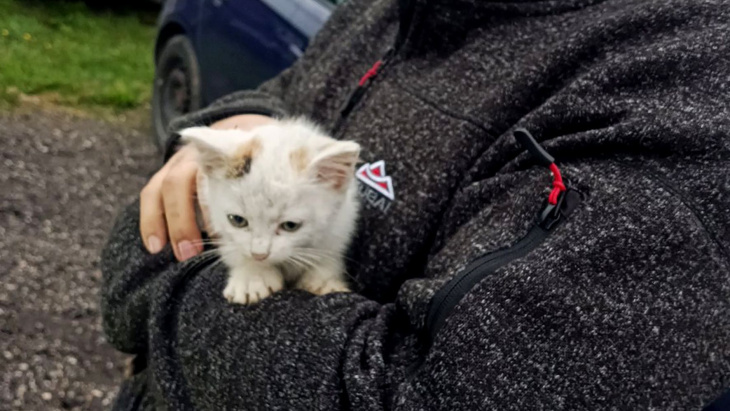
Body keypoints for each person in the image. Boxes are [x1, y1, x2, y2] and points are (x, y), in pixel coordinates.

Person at [101, 0, 730, 408]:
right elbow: (286, 95)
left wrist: (170, 293)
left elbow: (429, 392)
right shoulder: (386, 10)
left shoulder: (675, 78)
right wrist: (234, 123)